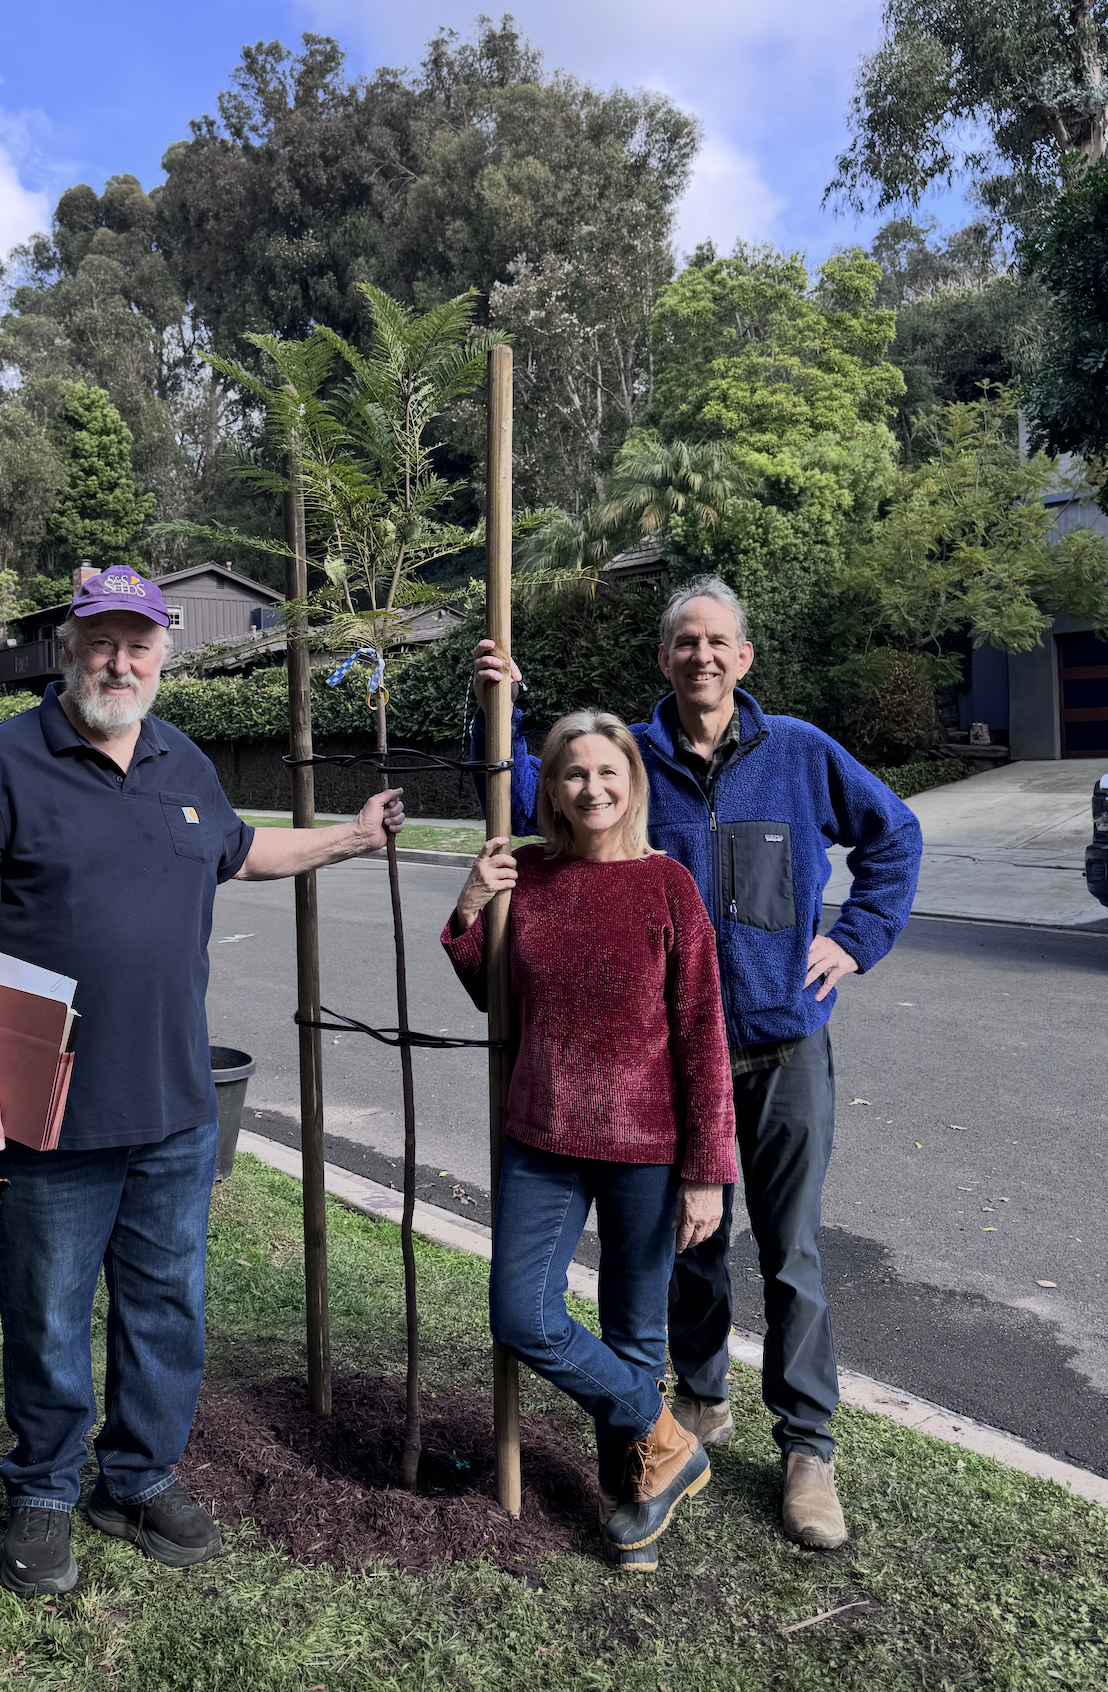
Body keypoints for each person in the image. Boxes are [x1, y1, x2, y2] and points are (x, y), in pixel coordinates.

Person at [0, 564, 406, 1598]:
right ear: (66, 652)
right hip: (45, 1106)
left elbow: (240, 852)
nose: (118, 662)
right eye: (100, 643)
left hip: (177, 1106)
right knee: (47, 1313)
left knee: (167, 1308)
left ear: (163, 655)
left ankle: (133, 1478)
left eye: (139, 645)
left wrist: (353, 839)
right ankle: (44, 1488)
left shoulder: (182, 759)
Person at [472, 575, 922, 1549]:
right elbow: (531, 792)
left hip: (783, 1046)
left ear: (743, 658)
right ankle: (699, 1405)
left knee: (791, 1253)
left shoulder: (798, 753)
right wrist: (495, 713)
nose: (701, 657)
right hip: (676, 1060)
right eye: (683, 643)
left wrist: (855, 938)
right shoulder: (629, 760)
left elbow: (894, 833)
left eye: (717, 642)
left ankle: (806, 1449)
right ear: (662, 658)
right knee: (693, 1247)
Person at [442, 711, 737, 1571]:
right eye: (574, 774)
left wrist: (707, 1172)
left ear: (633, 782)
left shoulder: (667, 885)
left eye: (609, 772)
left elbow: (701, 1034)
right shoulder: (526, 874)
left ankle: (635, 1500)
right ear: (551, 786)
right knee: (523, 1314)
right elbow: (490, 995)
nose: (592, 789)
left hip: (648, 1145)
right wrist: (469, 905)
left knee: (635, 1333)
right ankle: (667, 1436)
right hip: (543, 1135)